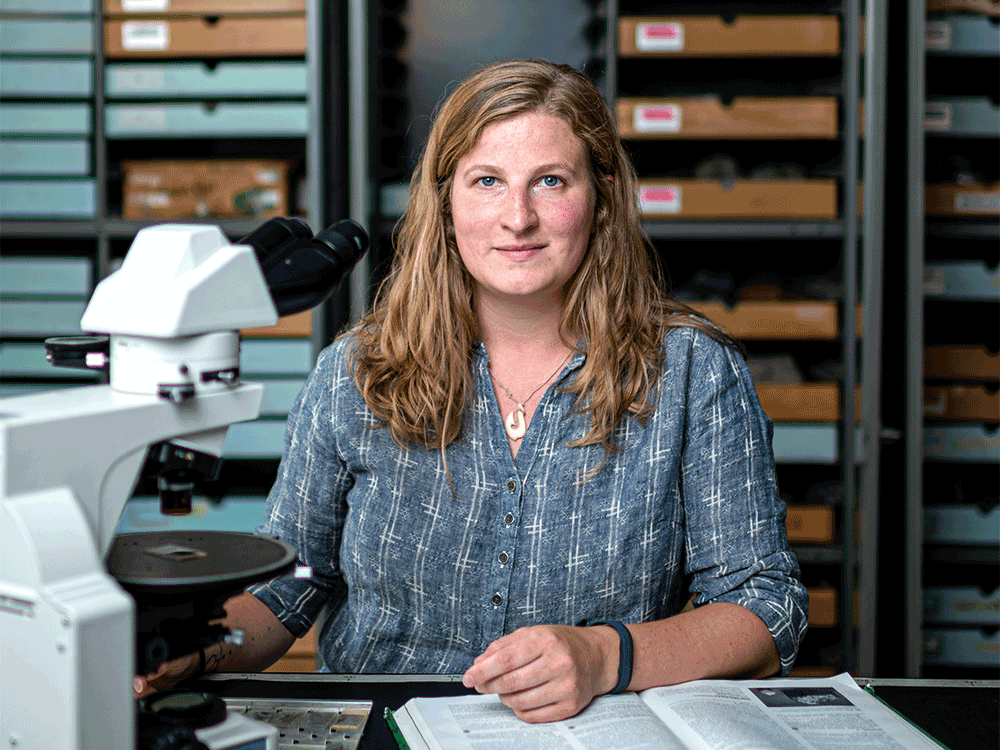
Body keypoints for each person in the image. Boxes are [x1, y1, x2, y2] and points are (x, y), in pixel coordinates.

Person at [135, 58, 808, 723]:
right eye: (487, 181)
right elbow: (293, 584)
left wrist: (606, 656)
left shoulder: (693, 371)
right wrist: (194, 651)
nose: (518, 218)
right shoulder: (355, 372)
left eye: (549, 181)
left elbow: (767, 606)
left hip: (587, 735)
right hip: (382, 728)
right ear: (445, 199)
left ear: (601, 196)